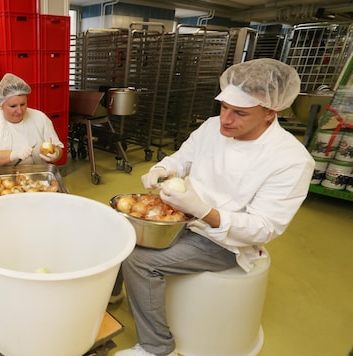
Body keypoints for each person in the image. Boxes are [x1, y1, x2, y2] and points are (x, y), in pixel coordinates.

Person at [115, 58, 315, 356]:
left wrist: (203, 211)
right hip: (181, 217)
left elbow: (264, 227)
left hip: (223, 240)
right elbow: (182, 159)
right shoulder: (211, 127)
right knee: (118, 227)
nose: (226, 119)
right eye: (223, 107)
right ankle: (111, 294)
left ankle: (157, 346)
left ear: (270, 113)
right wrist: (161, 169)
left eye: (240, 113)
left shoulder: (291, 160)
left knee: (139, 259)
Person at [0, 73, 64, 167]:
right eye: (13, 106)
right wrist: (13, 155)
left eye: (23, 104)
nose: (19, 111)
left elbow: (58, 148)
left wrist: (56, 153)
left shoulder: (39, 118)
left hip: (35, 176)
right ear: (0, 104)